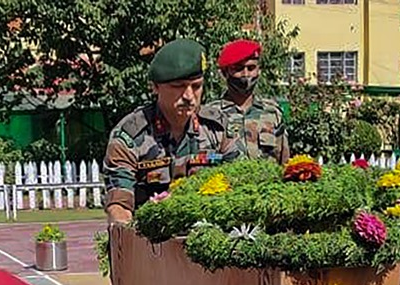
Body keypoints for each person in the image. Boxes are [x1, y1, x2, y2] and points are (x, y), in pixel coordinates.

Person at [103, 39, 226, 225]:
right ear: (155, 87)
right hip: (150, 242)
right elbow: (119, 206)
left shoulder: (218, 129)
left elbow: (237, 185)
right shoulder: (130, 136)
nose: (189, 96)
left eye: (196, 86)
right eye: (178, 87)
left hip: (208, 239)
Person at [201, 39, 289, 164]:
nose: (245, 74)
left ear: (259, 70)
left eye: (251, 68)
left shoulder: (272, 113)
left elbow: (283, 162)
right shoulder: (210, 115)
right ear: (225, 73)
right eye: (238, 68)